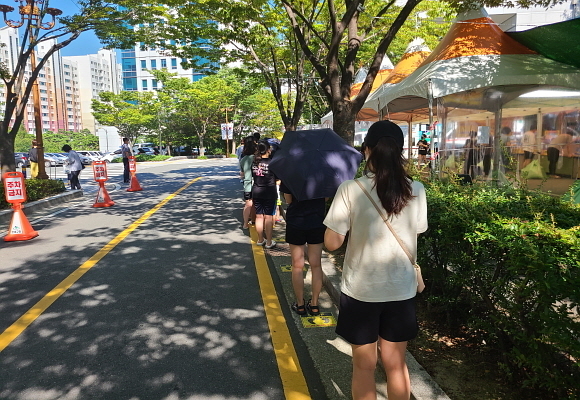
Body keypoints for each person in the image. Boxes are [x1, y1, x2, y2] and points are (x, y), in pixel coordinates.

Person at [324, 120, 428, 400]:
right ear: (400, 151)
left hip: (361, 290)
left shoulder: (350, 189)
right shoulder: (417, 189)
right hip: (401, 289)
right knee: (396, 364)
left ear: (367, 150)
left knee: (364, 366)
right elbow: (417, 230)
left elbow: (332, 243)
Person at [279, 182, 326, 316]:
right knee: (316, 265)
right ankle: (314, 305)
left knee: (297, 265)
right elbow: (326, 198)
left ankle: (300, 305)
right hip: (317, 221)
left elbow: (288, 199)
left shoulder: (291, 174)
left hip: (296, 221)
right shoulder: (323, 174)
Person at [251, 140, 277, 249]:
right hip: (269, 192)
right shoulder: (272, 163)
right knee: (268, 217)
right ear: (268, 150)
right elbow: (277, 179)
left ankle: (260, 239)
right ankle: (269, 242)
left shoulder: (254, 162)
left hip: (256, 191)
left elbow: (253, 176)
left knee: (259, 216)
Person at [239, 136, 256, 229]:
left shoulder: (243, 159)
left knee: (248, 204)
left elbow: (242, 174)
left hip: (247, 185)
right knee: (255, 204)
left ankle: (245, 223)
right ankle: (253, 220)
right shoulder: (257, 158)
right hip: (257, 185)